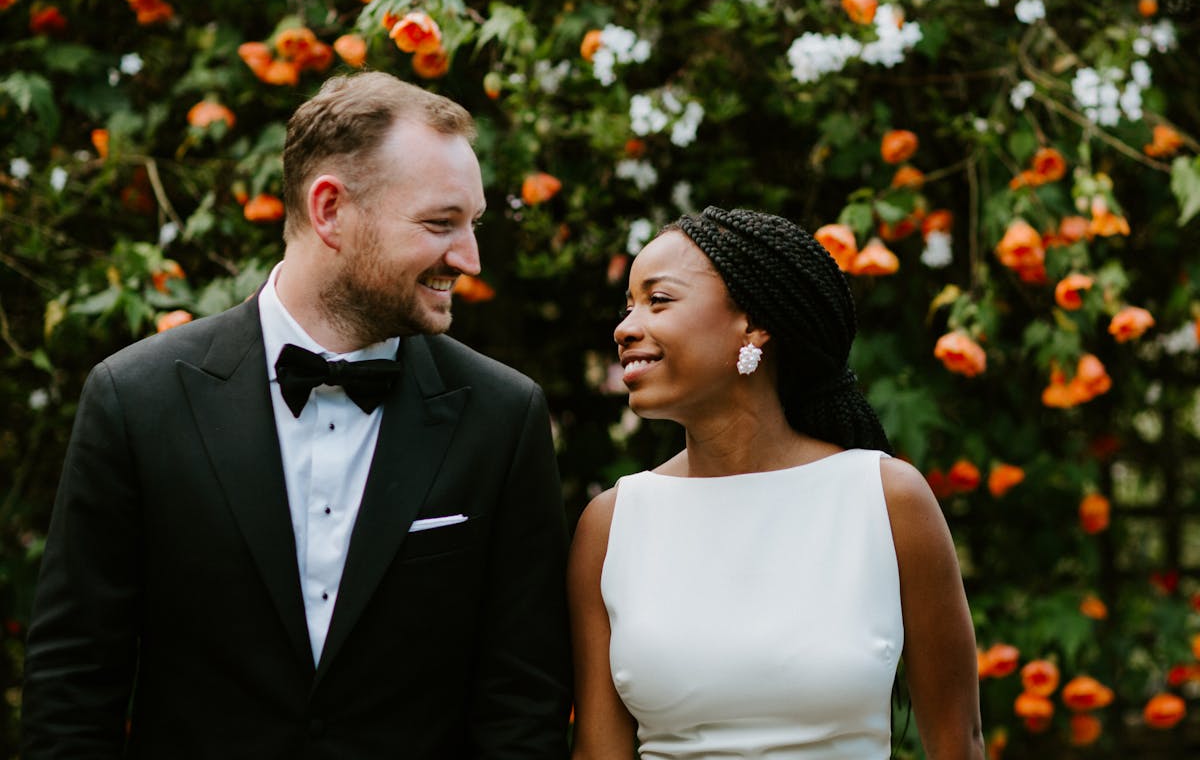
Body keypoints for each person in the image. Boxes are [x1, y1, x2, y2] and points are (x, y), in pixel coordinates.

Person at [22, 71, 572, 758]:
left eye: (473, 223)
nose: (468, 256)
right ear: (330, 210)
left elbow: (523, 702)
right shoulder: (136, 399)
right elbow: (73, 687)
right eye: (441, 222)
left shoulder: (501, 416)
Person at [568, 206, 984, 759]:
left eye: (658, 300)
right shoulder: (612, 523)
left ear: (755, 323)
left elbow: (959, 744)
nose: (625, 328)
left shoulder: (886, 499)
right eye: (628, 306)